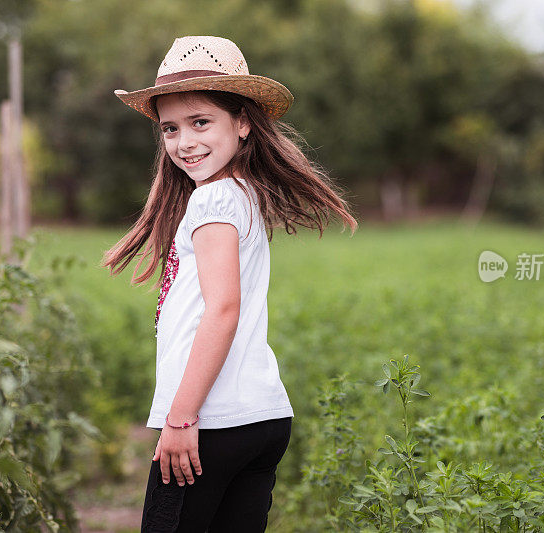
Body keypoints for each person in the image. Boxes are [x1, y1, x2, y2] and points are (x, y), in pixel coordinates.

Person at [103, 35, 358, 532]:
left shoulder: (213, 201)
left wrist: (179, 420)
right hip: (261, 418)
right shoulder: (242, 193)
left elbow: (223, 310)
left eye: (201, 122)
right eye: (170, 128)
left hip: (210, 423)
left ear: (242, 123)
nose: (184, 141)